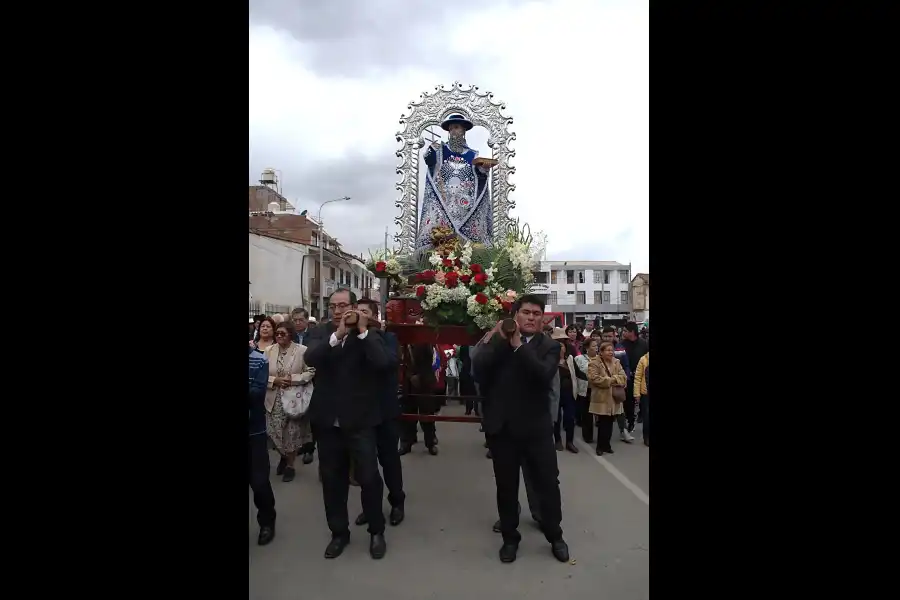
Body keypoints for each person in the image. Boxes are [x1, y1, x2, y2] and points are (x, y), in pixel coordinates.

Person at [474, 294, 570, 564]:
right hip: (502, 429)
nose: (530, 317)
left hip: (536, 430)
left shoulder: (549, 347)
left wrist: (518, 346)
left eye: (536, 313)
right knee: (506, 487)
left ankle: (555, 535)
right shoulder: (498, 342)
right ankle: (509, 538)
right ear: (515, 315)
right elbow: (479, 371)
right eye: (526, 312)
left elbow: (542, 376)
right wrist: (495, 339)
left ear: (542, 319)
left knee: (548, 484)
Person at [304, 288, 391, 560]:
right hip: (328, 420)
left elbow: (382, 363)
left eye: (343, 306)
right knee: (332, 479)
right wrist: (337, 336)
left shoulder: (370, 334)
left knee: (369, 478)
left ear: (354, 307)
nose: (338, 311)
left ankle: (377, 531)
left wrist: (362, 332)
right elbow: (310, 358)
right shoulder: (321, 333)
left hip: (360, 419)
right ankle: (339, 533)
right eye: (333, 306)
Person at [353, 298, 406, 528]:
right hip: (360, 413)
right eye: (357, 311)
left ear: (374, 316)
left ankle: (397, 502)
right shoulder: (350, 339)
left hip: (384, 410)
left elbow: (388, 363)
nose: (359, 315)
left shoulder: (388, 338)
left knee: (389, 460)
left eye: (364, 312)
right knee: (366, 465)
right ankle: (370, 508)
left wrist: (368, 334)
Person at [415, 113, 497, 250]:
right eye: (451, 128)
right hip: (443, 206)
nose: (453, 131)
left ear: (463, 130)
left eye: (457, 127)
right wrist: (430, 151)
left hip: (465, 208)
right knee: (441, 244)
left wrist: (483, 170)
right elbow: (429, 162)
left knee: (466, 250)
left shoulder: (473, 154)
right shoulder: (440, 151)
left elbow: (479, 180)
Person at [264, 320, 314, 481]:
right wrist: (274, 381)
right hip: (273, 400)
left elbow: (311, 370)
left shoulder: (301, 351)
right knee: (275, 434)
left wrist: (294, 379)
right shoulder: (268, 351)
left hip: (293, 400)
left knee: (291, 434)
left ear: (290, 335)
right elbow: (261, 374)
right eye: (277, 333)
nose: (279, 336)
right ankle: (284, 456)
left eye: (283, 334)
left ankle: (290, 466)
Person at [249, 344, 276, 545]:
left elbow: (257, 394)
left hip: (254, 434)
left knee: (259, 483)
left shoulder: (259, 359)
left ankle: (267, 522)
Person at [588, 341, 628, 455]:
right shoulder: (594, 362)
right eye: (608, 350)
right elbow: (594, 379)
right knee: (603, 422)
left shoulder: (617, 362)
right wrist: (611, 381)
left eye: (612, 350)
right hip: (601, 398)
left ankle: (607, 445)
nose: (611, 352)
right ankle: (600, 447)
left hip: (614, 398)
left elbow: (623, 377)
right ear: (601, 352)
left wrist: (612, 379)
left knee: (610, 422)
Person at [400, 344, 440, 455]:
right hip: (408, 385)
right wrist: (410, 376)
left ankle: (430, 443)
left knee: (427, 414)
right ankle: (406, 443)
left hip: (424, 383)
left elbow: (428, 360)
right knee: (407, 415)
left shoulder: (423, 342)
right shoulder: (401, 342)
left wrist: (419, 376)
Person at [550, 328, 579, 453]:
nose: (560, 346)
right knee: (556, 418)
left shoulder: (570, 359)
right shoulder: (549, 361)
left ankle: (570, 442)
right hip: (555, 394)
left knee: (570, 418)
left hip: (569, 393)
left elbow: (579, 373)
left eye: (562, 343)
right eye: (557, 343)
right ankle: (557, 440)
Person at [621, 322, 649, 432]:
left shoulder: (644, 344)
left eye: (625, 331)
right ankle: (630, 420)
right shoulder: (622, 344)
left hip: (642, 378)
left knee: (642, 400)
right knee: (628, 401)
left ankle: (642, 415)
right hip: (628, 377)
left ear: (632, 332)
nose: (623, 333)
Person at [633, 349, 649, 447]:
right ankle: (646, 437)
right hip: (646, 394)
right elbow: (638, 377)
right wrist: (637, 394)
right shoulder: (643, 359)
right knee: (647, 417)